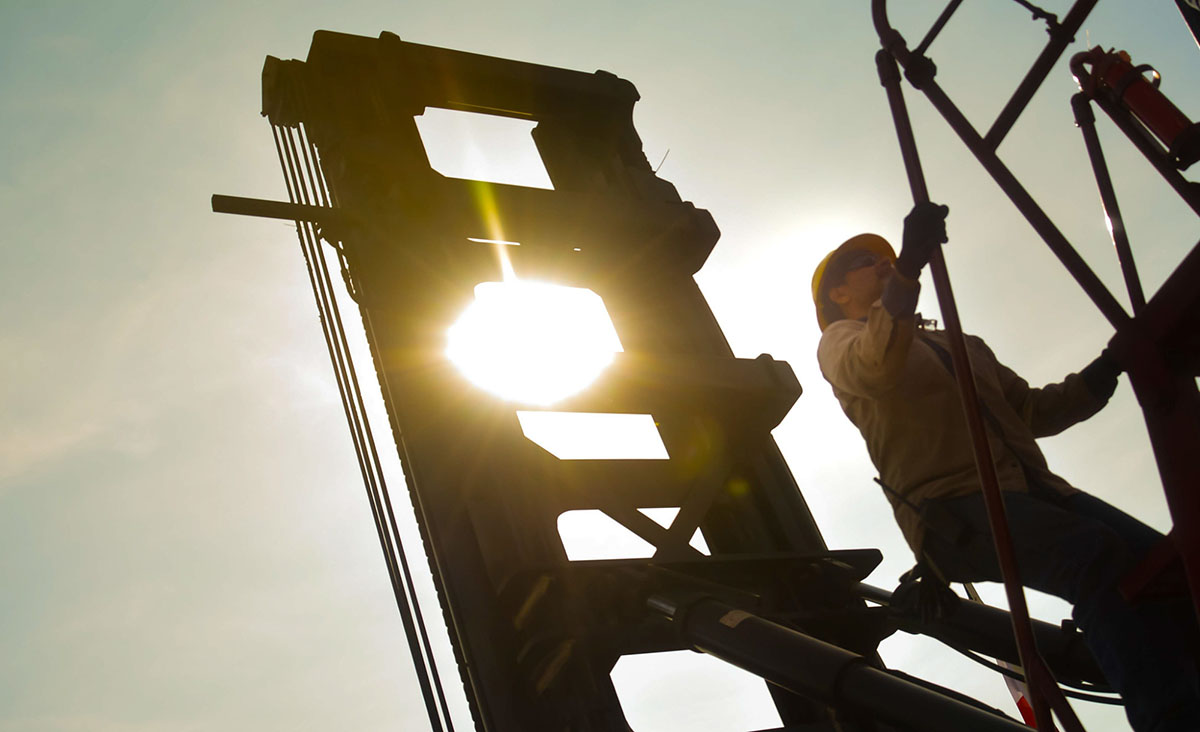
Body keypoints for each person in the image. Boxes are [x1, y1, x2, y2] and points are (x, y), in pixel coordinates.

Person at [811, 202, 1200, 732]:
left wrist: (1106, 370)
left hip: (1033, 492)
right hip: (950, 509)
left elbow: (1032, 411)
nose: (881, 263)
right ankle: (1173, 719)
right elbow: (877, 367)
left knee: (1168, 565)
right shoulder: (841, 343)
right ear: (838, 294)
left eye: (886, 258)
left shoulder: (959, 345)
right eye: (865, 260)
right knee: (1090, 554)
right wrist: (907, 268)